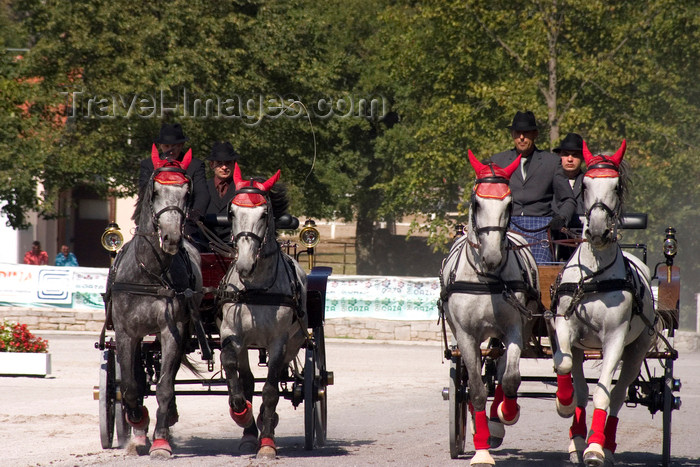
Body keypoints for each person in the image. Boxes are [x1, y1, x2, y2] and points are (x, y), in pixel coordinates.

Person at [489, 110, 576, 264]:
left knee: (540, 270)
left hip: (541, 228)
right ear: (512, 135)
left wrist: (561, 218)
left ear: (535, 134)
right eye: (518, 133)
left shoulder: (551, 162)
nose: (521, 137)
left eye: (526, 133)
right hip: (507, 225)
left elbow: (568, 199)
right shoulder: (498, 161)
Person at [138, 123, 210, 237]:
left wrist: (194, 215)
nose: (170, 150)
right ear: (160, 145)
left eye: (174, 146)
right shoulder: (148, 165)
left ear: (181, 145)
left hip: (185, 223)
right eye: (167, 146)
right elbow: (143, 193)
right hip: (154, 221)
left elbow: (202, 194)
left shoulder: (195, 165)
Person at [553, 132, 585, 261]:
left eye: (575, 155)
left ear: (582, 158)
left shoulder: (590, 183)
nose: (570, 159)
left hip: (582, 243)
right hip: (553, 243)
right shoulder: (548, 181)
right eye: (565, 155)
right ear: (559, 156)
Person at [204, 141, 240, 242]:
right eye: (219, 163)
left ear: (234, 164)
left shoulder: (241, 189)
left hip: (235, 244)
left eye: (228, 163)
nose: (224, 167)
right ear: (212, 165)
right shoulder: (202, 188)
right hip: (204, 243)